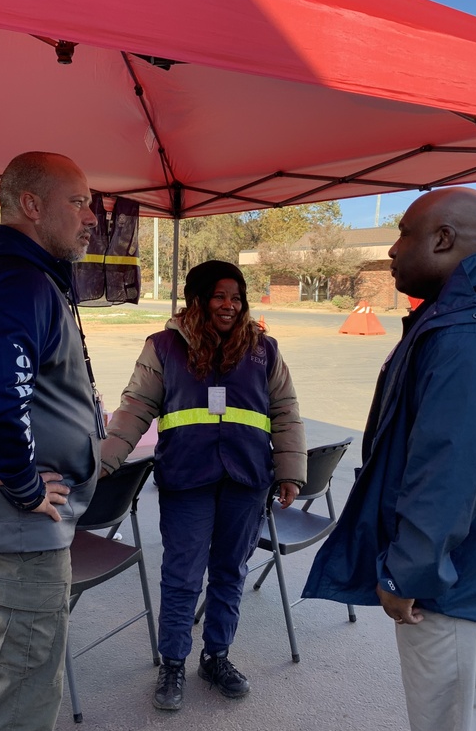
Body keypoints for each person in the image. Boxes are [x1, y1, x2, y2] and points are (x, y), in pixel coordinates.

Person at [303, 187, 476, 731]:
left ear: (443, 239)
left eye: (404, 235)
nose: (394, 251)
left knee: (455, 720)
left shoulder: (473, 329)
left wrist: (406, 574)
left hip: (465, 579)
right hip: (473, 567)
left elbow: (451, 469)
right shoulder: (472, 312)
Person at [0, 151, 103, 731]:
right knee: (21, 687)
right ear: (31, 205)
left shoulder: (7, 274)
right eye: (78, 202)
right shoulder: (18, 279)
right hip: (18, 533)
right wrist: (24, 484)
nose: (91, 218)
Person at [100, 260, 306, 712]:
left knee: (231, 573)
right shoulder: (164, 347)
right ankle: (173, 661)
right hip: (187, 479)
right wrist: (105, 461)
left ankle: (217, 657)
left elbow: (286, 411)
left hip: (247, 479)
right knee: (182, 577)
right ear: (197, 300)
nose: (229, 305)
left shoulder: (264, 350)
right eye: (219, 296)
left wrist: (290, 471)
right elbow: (134, 408)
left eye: (236, 297)